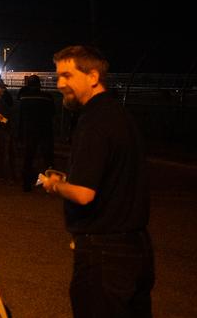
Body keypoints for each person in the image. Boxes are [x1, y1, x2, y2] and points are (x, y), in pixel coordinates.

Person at [41, 45, 153, 317]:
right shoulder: (119, 115)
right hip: (137, 248)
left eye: (67, 75)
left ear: (93, 76)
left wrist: (53, 185)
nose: (60, 84)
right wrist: (71, 179)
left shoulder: (93, 122)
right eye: (58, 77)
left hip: (104, 254)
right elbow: (110, 179)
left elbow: (83, 194)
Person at [17, 74, 55, 192]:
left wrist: (20, 132)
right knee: (47, 158)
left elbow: (20, 115)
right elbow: (53, 113)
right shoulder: (47, 97)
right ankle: (51, 184)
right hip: (45, 130)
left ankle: (26, 184)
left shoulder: (24, 97)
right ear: (39, 84)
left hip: (29, 131)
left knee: (28, 158)